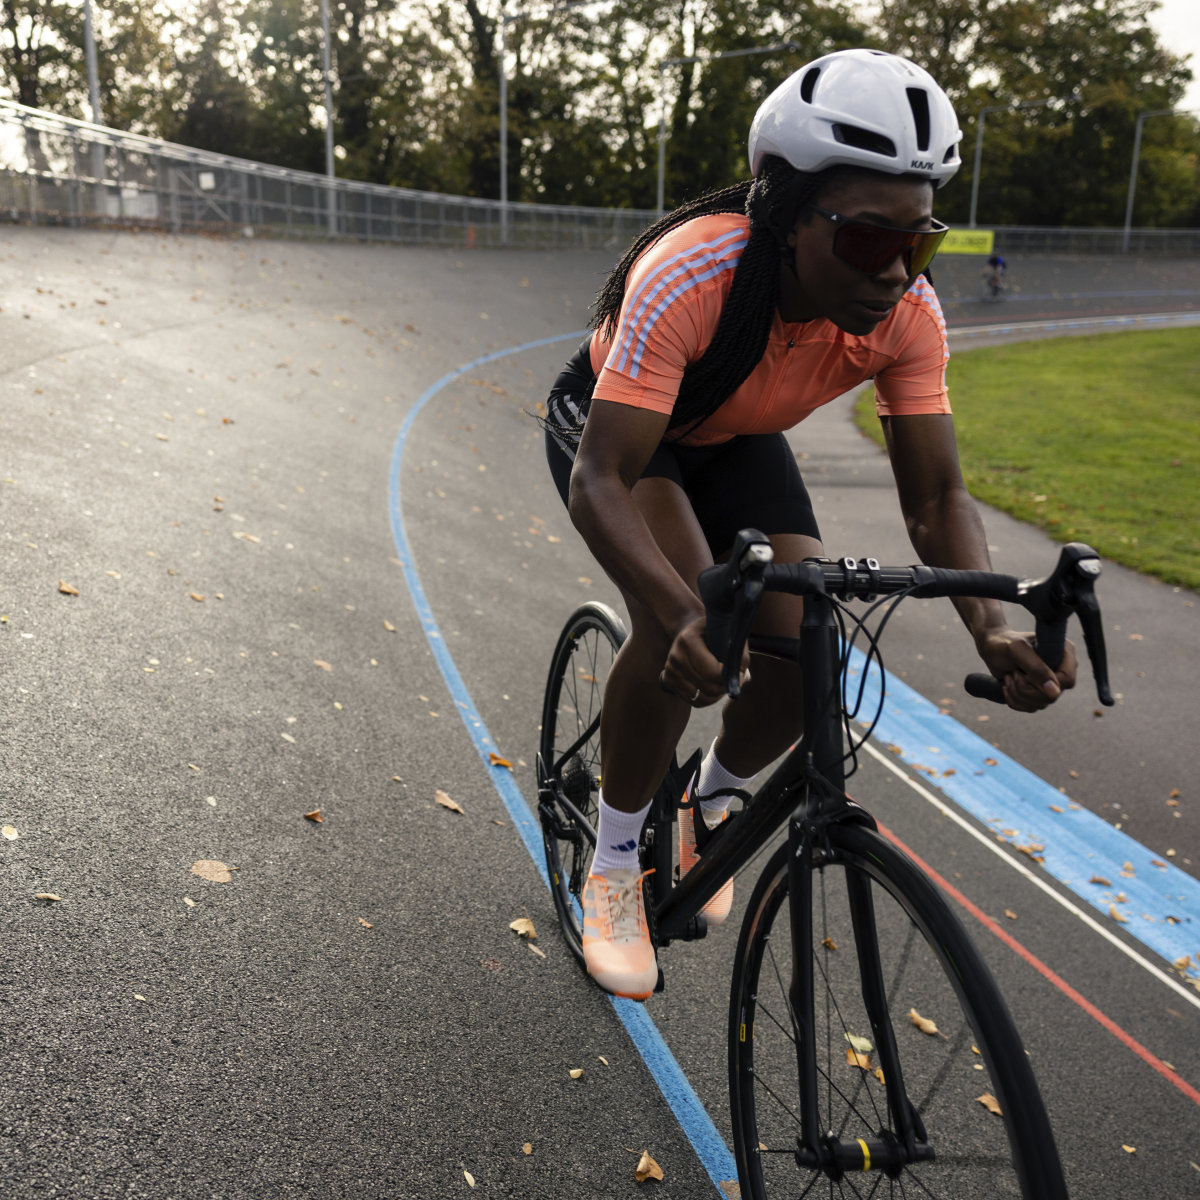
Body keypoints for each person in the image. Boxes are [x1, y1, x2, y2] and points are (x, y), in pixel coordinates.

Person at [540, 48, 1076, 1001]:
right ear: (787, 216)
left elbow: (937, 499)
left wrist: (990, 623)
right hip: (627, 439)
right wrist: (682, 609)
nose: (900, 271)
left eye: (923, 242)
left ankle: (712, 800)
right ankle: (614, 867)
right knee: (686, 614)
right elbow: (603, 481)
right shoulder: (691, 271)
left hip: (738, 439)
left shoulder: (909, 314)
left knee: (807, 636)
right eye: (873, 241)